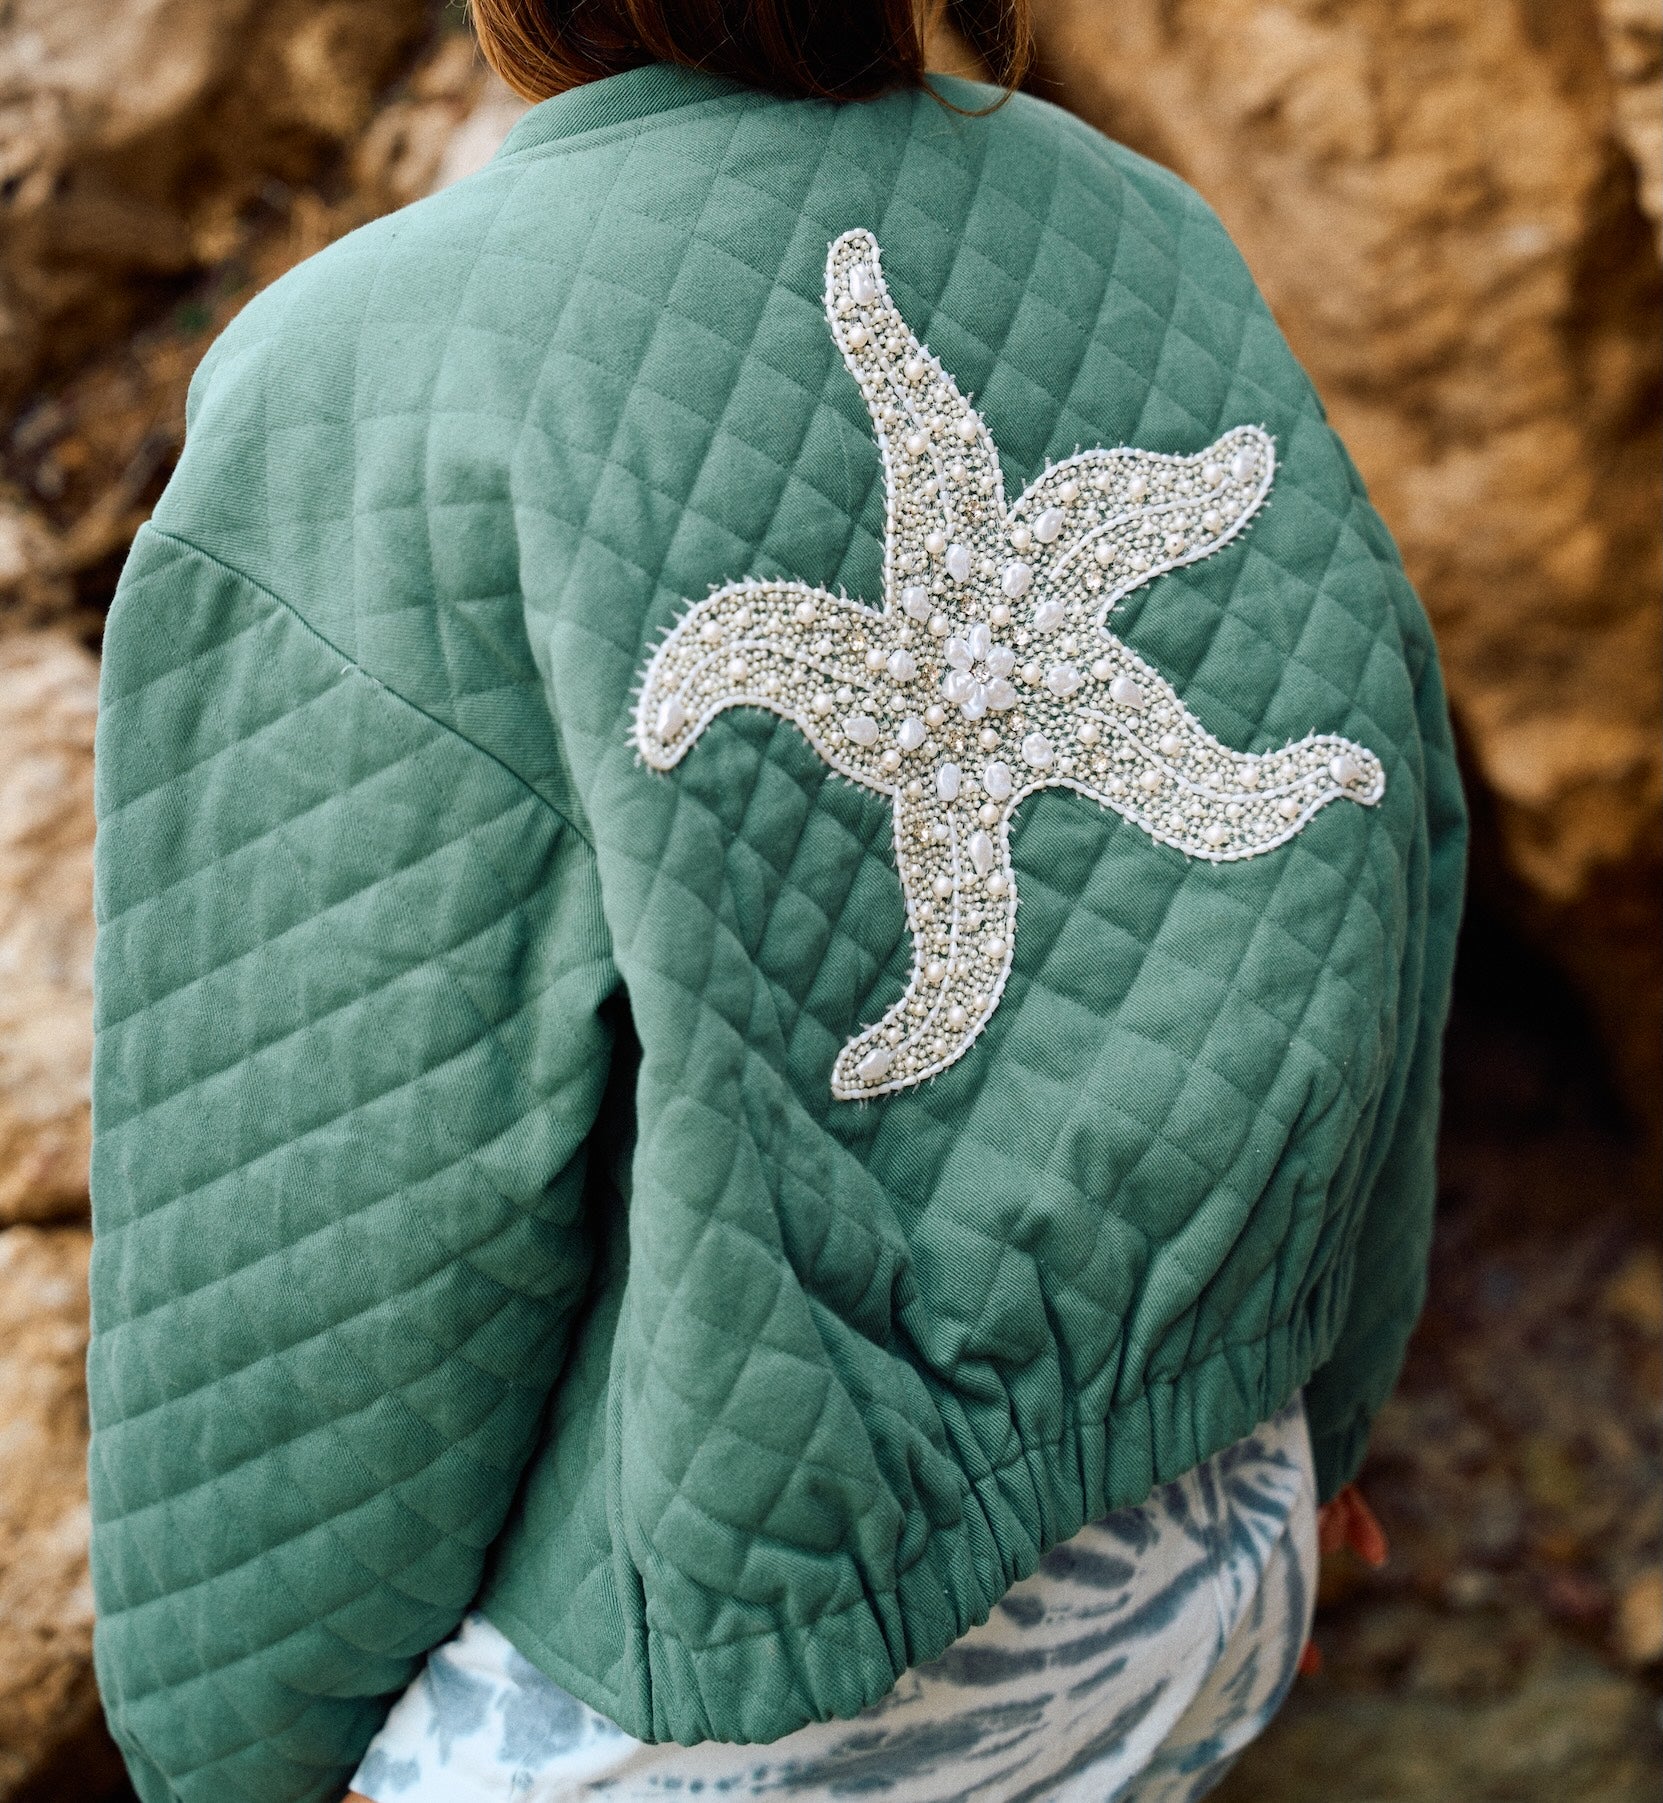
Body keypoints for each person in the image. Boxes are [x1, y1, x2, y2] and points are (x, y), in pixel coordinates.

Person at [86, 3, 1466, 1800]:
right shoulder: (1146, 227)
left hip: (737, 1698)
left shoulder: (366, 376)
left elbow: (314, 1208)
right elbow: (1377, 836)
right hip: (1202, 1558)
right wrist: (1321, 1397)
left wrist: (226, 1757)